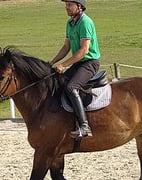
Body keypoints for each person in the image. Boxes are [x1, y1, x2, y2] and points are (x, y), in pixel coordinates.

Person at [50, 0, 101, 138]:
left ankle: (85, 126)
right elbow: (66, 47)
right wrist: (52, 62)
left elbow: (84, 50)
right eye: (66, 5)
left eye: (69, 5)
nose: (66, 7)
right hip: (78, 63)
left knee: (72, 87)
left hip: (90, 63)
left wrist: (64, 65)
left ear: (79, 6)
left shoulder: (85, 22)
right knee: (59, 82)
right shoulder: (70, 23)